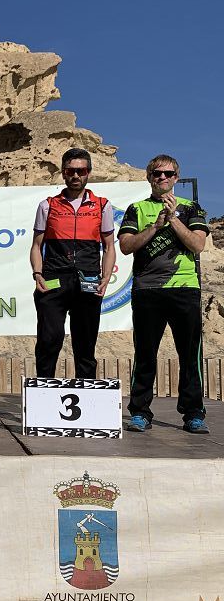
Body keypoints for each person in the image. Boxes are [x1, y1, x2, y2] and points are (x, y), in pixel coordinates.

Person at [118, 154, 210, 434]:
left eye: (168, 174)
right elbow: (125, 245)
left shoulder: (191, 208)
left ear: (176, 178)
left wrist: (174, 220)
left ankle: (194, 413)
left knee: (189, 355)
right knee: (145, 353)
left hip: (184, 288)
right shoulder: (137, 208)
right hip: (148, 290)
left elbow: (197, 245)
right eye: (157, 174)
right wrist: (157, 224)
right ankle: (140, 412)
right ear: (149, 177)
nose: (162, 178)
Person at [30, 148, 116, 378]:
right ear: (63, 173)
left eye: (81, 170)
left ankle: (86, 395)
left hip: (88, 281)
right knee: (49, 339)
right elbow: (36, 246)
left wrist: (105, 277)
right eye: (71, 170)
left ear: (89, 173)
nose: (76, 175)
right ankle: (43, 392)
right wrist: (37, 273)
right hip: (54, 279)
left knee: (85, 344)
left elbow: (109, 246)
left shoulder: (102, 205)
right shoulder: (47, 205)